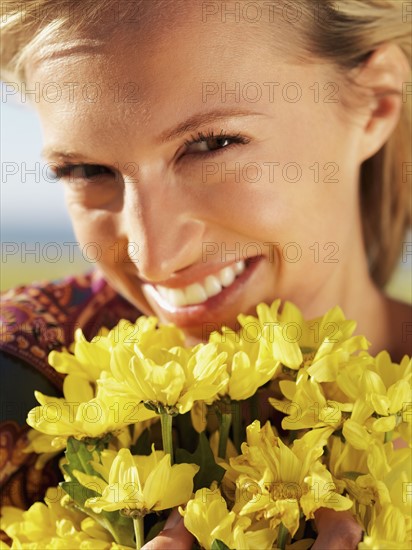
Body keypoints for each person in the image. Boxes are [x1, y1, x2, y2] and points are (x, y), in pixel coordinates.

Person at [0, 0, 410, 548]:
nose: (154, 257)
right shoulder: (18, 392)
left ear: (377, 105)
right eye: (86, 170)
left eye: (210, 145)